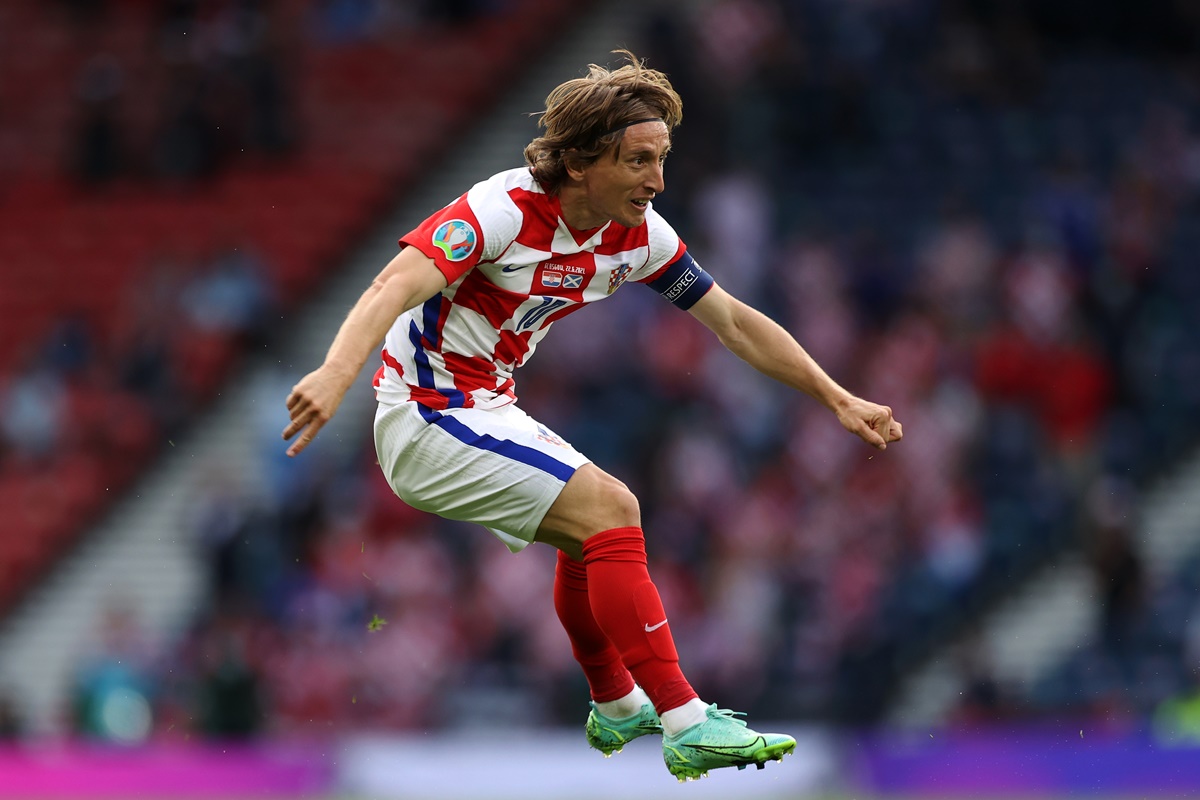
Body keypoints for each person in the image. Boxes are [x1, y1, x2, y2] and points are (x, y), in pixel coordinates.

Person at [283, 50, 902, 781]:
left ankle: (615, 702)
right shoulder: (501, 210)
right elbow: (392, 285)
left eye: (662, 158)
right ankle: (685, 720)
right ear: (580, 163)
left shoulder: (637, 236)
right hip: (424, 415)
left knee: (592, 537)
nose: (658, 180)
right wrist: (334, 372)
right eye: (639, 160)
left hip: (486, 406)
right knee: (613, 507)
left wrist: (838, 395)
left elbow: (733, 322)